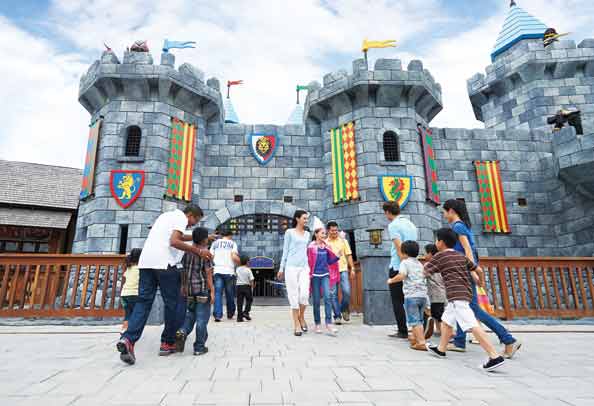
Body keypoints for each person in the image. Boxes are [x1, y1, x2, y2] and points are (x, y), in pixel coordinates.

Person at [117, 204, 211, 365]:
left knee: (143, 302)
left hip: (146, 263)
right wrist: (199, 251)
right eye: (194, 221)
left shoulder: (165, 216)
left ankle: (128, 339)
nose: (192, 225)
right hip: (164, 263)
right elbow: (174, 241)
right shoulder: (181, 218)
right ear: (190, 215)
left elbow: (178, 236)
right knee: (176, 303)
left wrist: (204, 238)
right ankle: (167, 342)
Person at [442, 199, 521, 359]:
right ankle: (459, 341)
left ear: (451, 211)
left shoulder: (457, 227)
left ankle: (508, 339)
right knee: (462, 305)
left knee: (472, 308)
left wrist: (472, 271)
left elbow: (468, 250)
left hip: (465, 271)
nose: (444, 215)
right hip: (465, 270)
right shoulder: (462, 226)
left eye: (444, 211)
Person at [424, 228, 506, 372]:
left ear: (441, 242)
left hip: (456, 297)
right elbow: (479, 270)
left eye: (436, 240)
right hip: (463, 294)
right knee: (446, 321)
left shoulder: (440, 256)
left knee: (472, 325)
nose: (436, 243)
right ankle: (441, 349)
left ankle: (494, 356)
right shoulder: (460, 256)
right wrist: (481, 282)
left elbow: (425, 272)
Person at [175, 227, 214, 356]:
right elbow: (208, 273)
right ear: (204, 240)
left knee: (191, 315)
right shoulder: (206, 254)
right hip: (202, 290)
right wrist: (212, 291)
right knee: (202, 319)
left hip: (190, 291)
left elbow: (183, 271)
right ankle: (199, 347)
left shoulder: (186, 252)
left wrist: (183, 286)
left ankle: (182, 331)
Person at [383, 201, 418, 339]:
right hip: (414, 264)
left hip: (399, 266)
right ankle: (420, 327)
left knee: (397, 300)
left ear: (388, 212)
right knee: (413, 296)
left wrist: (404, 265)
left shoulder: (393, 225)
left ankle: (402, 330)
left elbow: (400, 249)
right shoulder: (411, 224)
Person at [388, 240, 427, 351]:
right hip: (422, 295)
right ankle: (415, 338)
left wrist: (391, 280)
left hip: (412, 295)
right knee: (419, 319)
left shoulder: (405, 263)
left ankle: (421, 342)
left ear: (404, 253)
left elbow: (402, 275)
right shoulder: (420, 264)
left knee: (414, 320)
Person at [278, 210, 311, 336]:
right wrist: (281, 268)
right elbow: (285, 251)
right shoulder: (289, 232)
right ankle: (296, 324)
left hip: (304, 267)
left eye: (307, 219)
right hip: (291, 267)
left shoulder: (307, 234)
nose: (306, 220)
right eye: (304, 218)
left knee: (304, 295)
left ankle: (301, 316)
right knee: (293, 295)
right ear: (297, 219)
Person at [307, 226, 340, 335]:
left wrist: (337, 257)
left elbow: (330, 261)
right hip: (315, 276)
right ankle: (317, 324)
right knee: (316, 301)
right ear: (316, 234)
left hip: (325, 275)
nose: (324, 235)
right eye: (322, 233)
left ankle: (328, 323)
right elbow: (308, 262)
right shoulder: (311, 247)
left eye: (325, 234)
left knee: (327, 297)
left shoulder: (327, 246)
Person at [326, 221, 355, 324]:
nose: (335, 232)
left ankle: (344, 309)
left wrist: (352, 268)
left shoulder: (343, 241)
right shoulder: (325, 242)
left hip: (343, 269)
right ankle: (337, 316)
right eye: (332, 230)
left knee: (346, 291)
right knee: (333, 294)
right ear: (328, 231)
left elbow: (348, 255)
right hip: (330, 271)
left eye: (336, 230)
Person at [210, 230, 240, 322]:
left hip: (217, 270)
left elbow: (210, 256)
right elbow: (234, 256)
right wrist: (240, 263)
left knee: (218, 293)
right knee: (229, 293)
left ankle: (218, 315)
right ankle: (230, 313)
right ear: (230, 235)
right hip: (229, 271)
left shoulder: (215, 243)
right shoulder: (232, 243)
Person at [424, 243, 445, 338]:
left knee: (437, 313)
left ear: (430, 254)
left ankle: (444, 331)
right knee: (436, 312)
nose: (424, 255)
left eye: (425, 253)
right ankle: (438, 330)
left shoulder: (429, 265)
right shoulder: (442, 263)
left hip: (436, 293)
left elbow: (424, 274)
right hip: (442, 292)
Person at [120, 248, 142, 334]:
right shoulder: (140, 269)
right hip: (134, 294)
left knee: (128, 314)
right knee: (135, 314)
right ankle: (131, 332)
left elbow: (125, 277)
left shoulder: (129, 268)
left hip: (124, 294)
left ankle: (124, 329)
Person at [236, 255, 255, 322]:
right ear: (247, 262)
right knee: (249, 299)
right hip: (247, 287)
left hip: (239, 287)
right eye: (249, 262)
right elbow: (251, 279)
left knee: (239, 302)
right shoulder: (248, 270)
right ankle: (246, 312)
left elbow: (236, 276)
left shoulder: (237, 269)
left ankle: (239, 317)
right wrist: (252, 286)